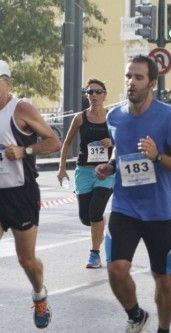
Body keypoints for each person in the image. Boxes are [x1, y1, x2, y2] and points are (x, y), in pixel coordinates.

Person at [95, 55, 171, 333]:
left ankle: (164, 329)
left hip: (159, 210)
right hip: (125, 206)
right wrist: (110, 166)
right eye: (128, 76)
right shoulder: (114, 116)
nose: (131, 82)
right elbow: (120, 150)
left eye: (138, 77)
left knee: (163, 278)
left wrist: (157, 156)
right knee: (115, 270)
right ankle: (136, 315)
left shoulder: (168, 117)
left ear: (152, 83)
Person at [0, 59, 61, 329]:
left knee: (26, 259)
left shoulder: (20, 109)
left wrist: (24, 151)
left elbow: (53, 141)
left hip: (21, 193)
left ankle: (39, 294)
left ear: (7, 82)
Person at [57, 78, 114, 269]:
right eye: (90, 92)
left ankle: (95, 254)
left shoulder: (112, 117)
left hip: (106, 171)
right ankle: (99, 225)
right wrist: (62, 168)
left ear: (105, 95)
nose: (94, 96)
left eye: (98, 92)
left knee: (95, 211)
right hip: (84, 170)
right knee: (86, 217)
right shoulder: (80, 117)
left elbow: (123, 141)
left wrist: (112, 143)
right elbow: (66, 143)